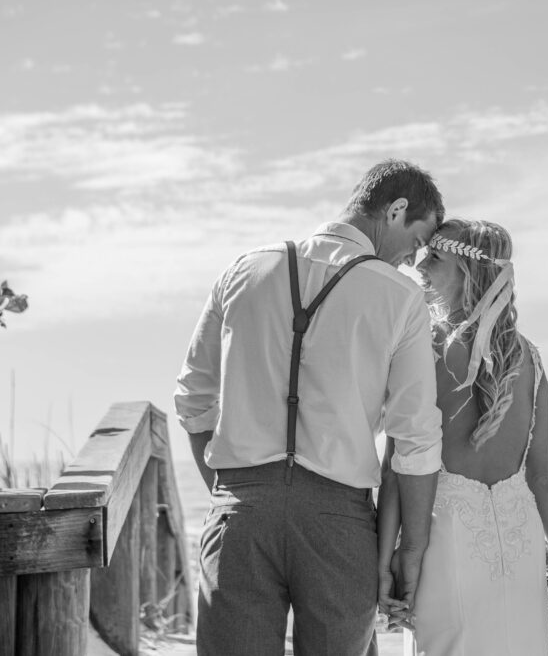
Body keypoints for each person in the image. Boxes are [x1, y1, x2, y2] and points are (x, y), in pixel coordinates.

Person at [175, 159, 445, 656]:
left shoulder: (243, 270)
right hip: (338, 522)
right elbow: (416, 441)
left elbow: (192, 400)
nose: (412, 259)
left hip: (242, 513)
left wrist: (229, 492)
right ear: (396, 210)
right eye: (417, 241)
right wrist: (409, 554)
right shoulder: (402, 299)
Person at [377, 219, 548, 655]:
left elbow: (398, 470)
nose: (419, 267)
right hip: (523, 555)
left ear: (468, 273)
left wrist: (386, 565)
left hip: (446, 551)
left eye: (435, 258)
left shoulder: (424, 352)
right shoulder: (531, 361)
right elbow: (542, 479)